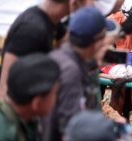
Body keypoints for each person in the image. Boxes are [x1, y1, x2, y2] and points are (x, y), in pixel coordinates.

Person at [41, 6, 114, 141]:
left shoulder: (58, 56)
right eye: (104, 37)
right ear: (96, 42)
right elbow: (72, 129)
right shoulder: (71, 72)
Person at [0, 0, 69, 100]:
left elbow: (68, 43)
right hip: (25, 103)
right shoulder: (31, 30)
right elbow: (5, 86)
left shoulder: (50, 19)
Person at [0, 53, 60, 141]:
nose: (56, 99)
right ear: (37, 103)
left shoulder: (27, 120)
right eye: (55, 94)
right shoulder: (5, 135)